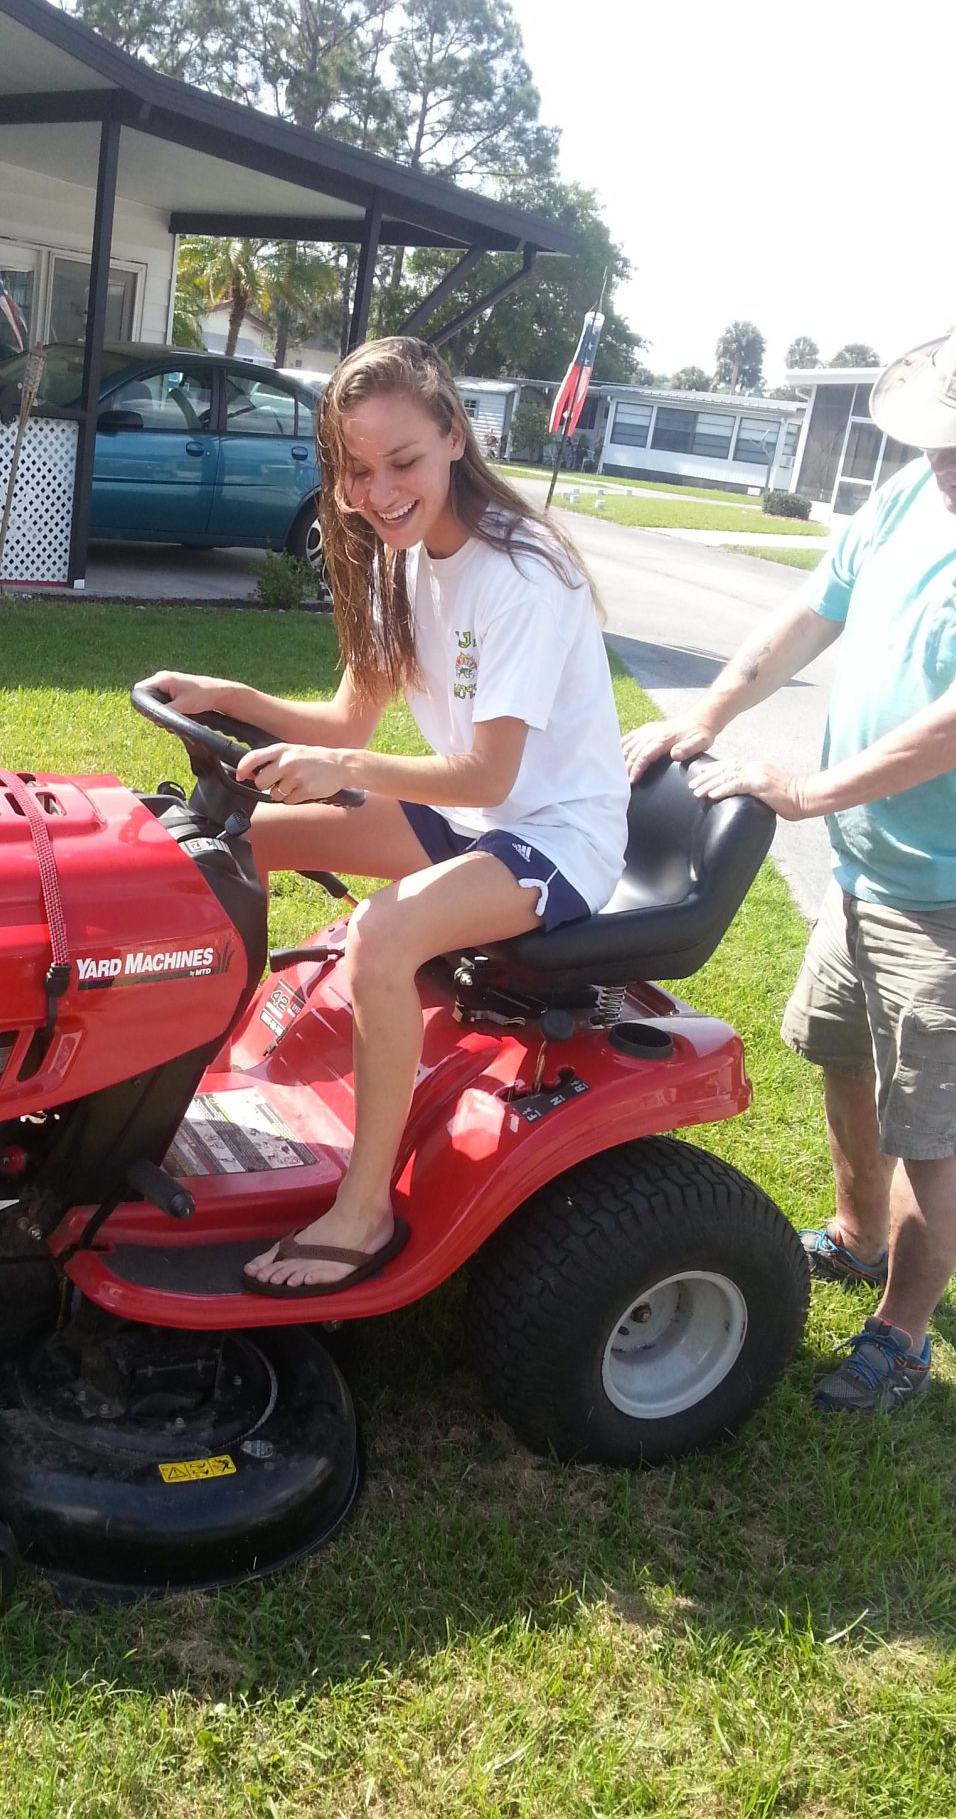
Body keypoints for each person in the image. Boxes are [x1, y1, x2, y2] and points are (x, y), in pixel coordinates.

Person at [622, 309, 956, 1412]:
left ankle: (902, 1335)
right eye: (937, 436)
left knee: (940, 1126)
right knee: (841, 1052)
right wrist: (714, 709)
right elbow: (813, 609)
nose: (948, 461)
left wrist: (808, 793)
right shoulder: (921, 491)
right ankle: (857, 1234)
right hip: (877, 866)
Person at [143, 334, 629, 1296]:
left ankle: (362, 1212)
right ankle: (165, 1099)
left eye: (402, 462)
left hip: (552, 838)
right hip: (468, 815)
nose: (379, 490)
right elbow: (346, 720)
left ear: (456, 434)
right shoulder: (400, 557)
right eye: (358, 470)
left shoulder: (523, 576)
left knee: (382, 937)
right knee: (223, 845)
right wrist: (228, 692)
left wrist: (344, 768)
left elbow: (489, 775)